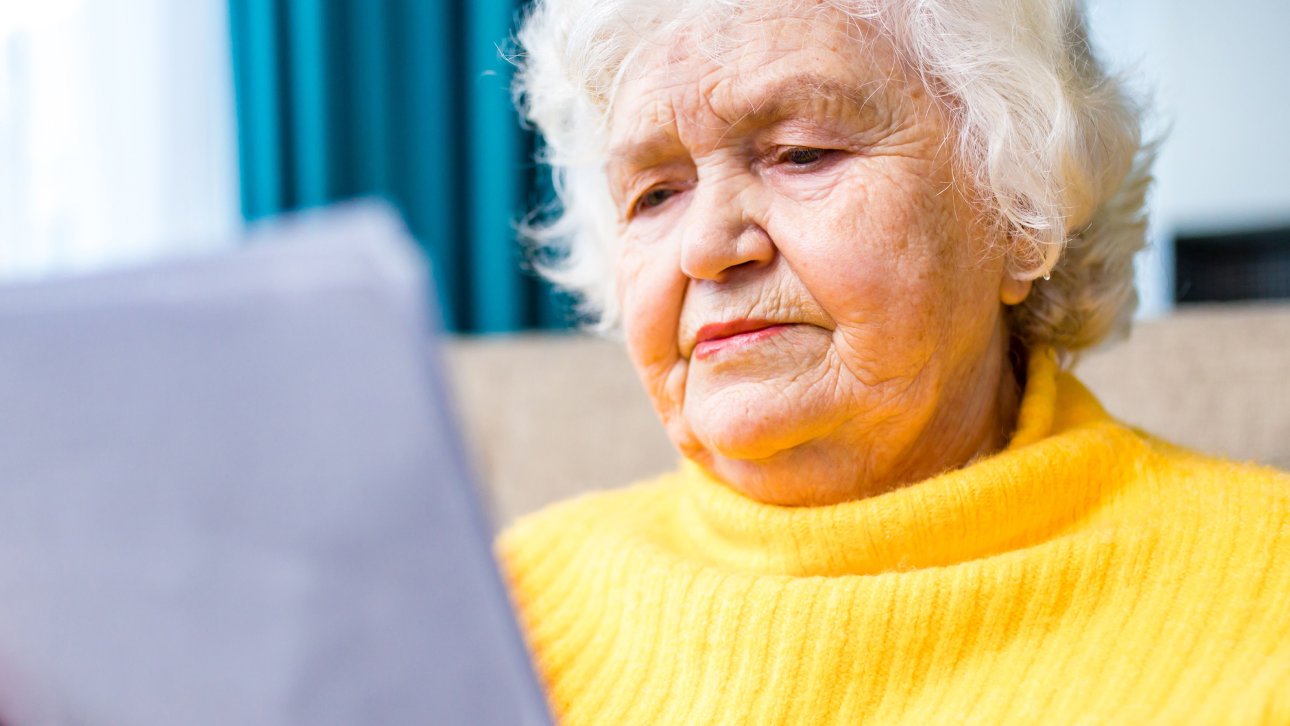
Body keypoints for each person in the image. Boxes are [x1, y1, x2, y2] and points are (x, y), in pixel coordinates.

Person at [496, 1, 1290, 723]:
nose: (706, 247)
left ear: (1022, 214)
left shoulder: (1266, 591)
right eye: (655, 194)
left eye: (801, 153)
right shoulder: (505, 604)